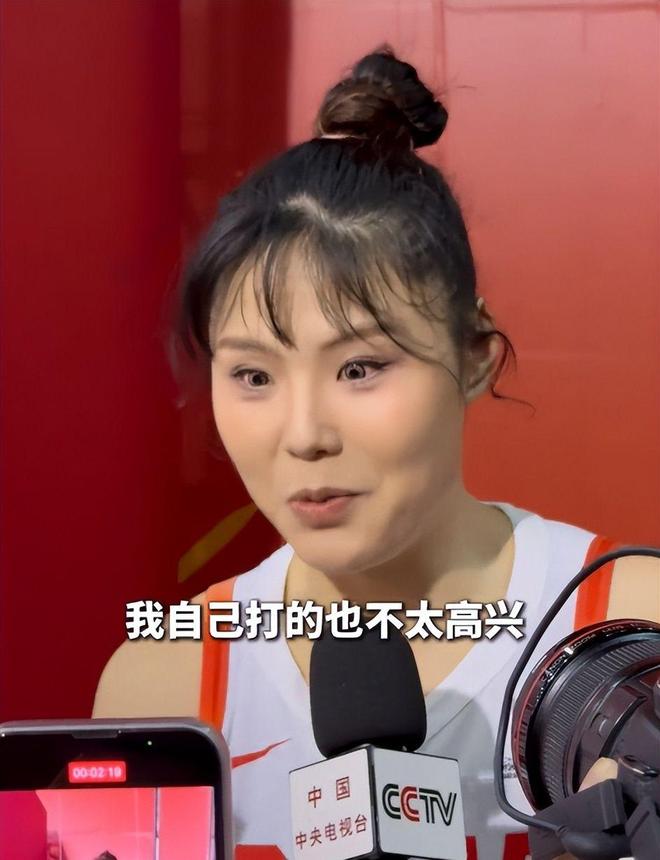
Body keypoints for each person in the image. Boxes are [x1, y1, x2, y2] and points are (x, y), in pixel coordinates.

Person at [94, 47, 660, 859]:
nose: (304, 435)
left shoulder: (634, 627)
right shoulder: (166, 682)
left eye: (360, 368)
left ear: (473, 355)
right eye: (253, 375)